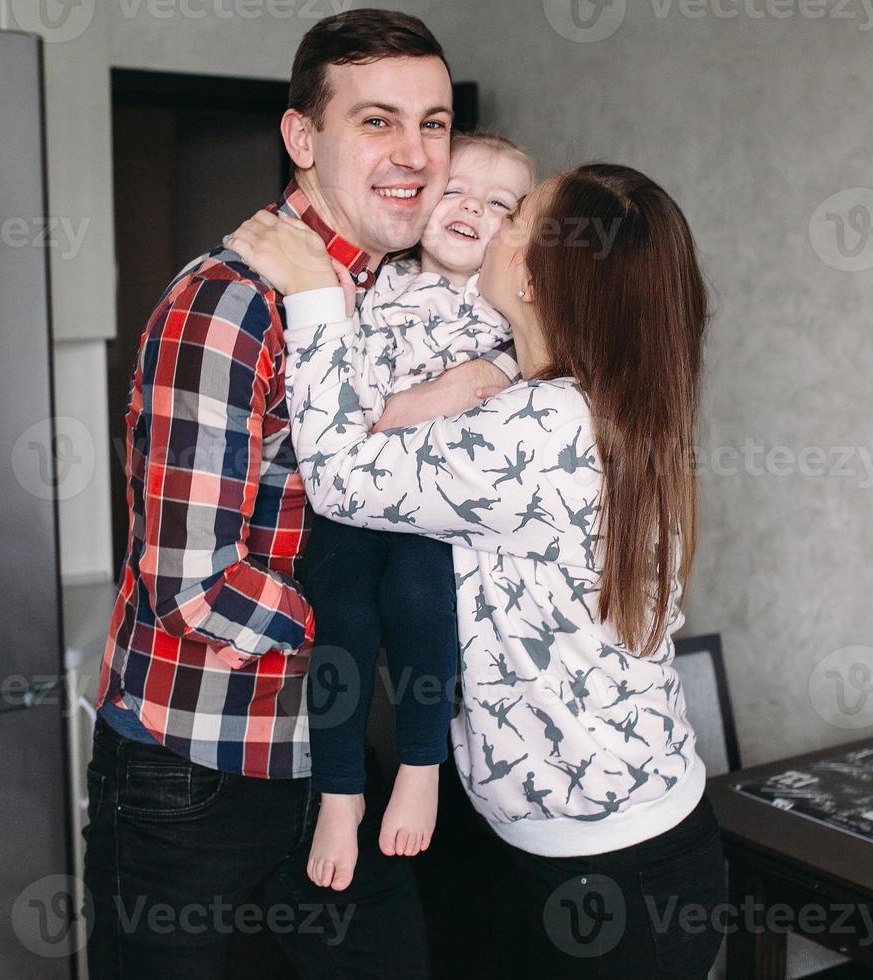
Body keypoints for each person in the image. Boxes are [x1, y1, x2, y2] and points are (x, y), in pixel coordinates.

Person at [83, 9, 512, 979]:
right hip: (194, 766)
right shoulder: (229, 305)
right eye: (377, 121)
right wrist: (387, 638)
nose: (414, 153)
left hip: (327, 759)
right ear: (302, 137)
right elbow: (193, 588)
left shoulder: (399, 300)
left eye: (434, 123)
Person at [227, 162, 728, 977]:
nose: (492, 222)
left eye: (518, 212)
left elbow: (343, 480)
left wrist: (316, 292)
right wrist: (486, 370)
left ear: (532, 274)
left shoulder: (542, 424)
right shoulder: (603, 401)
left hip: (605, 881)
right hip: (624, 846)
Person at [288, 130, 536, 891]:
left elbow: (507, 400)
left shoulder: (508, 320)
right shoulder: (367, 285)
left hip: (433, 516)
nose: (471, 210)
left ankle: (422, 765)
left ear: (518, 234)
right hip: (353, 502)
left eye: (500, 205)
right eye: (457, 189)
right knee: (344, 617)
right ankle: (338, 790)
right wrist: (424, 403)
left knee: (424, 600)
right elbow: (335, 414)